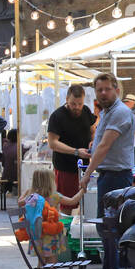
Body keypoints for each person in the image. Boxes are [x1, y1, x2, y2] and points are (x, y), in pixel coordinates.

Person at [77, 72, 135, 269]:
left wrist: (87, 174)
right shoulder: (109, 113)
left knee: (110, 228)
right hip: (111, 175)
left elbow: (105, 146)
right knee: (115, 228)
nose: (103, 93)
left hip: (116, 177)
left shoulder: (120, 112)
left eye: (107, 89)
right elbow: (100, 143)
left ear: (116, 90)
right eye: (99, 90)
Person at [17, 167, 82, 269]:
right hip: (52, 235)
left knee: (41, 262)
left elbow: (20, 203)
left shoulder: (31, 197)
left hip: (37, 234)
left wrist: (26, 193)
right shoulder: (55, 196)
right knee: (52, 261)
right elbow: (73, 201)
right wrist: (82, 191)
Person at [46, 84, 96, 212]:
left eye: (80, 104)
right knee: (66, 203)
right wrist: (75, 152)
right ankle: (63, 229)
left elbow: (92, 130)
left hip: (84, 167)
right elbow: (52, 143)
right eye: (73, 104)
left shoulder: (85, 111)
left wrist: (92, 141)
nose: (77, 107)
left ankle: (79, 229)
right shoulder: (57, 116)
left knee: (85, 202)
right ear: (67, 99)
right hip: (65, 167)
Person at [0, 128, 19, 198]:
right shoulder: (20, 147)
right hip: (18, 176)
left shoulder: (5, 146)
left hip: (6, 175)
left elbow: (3, 163)